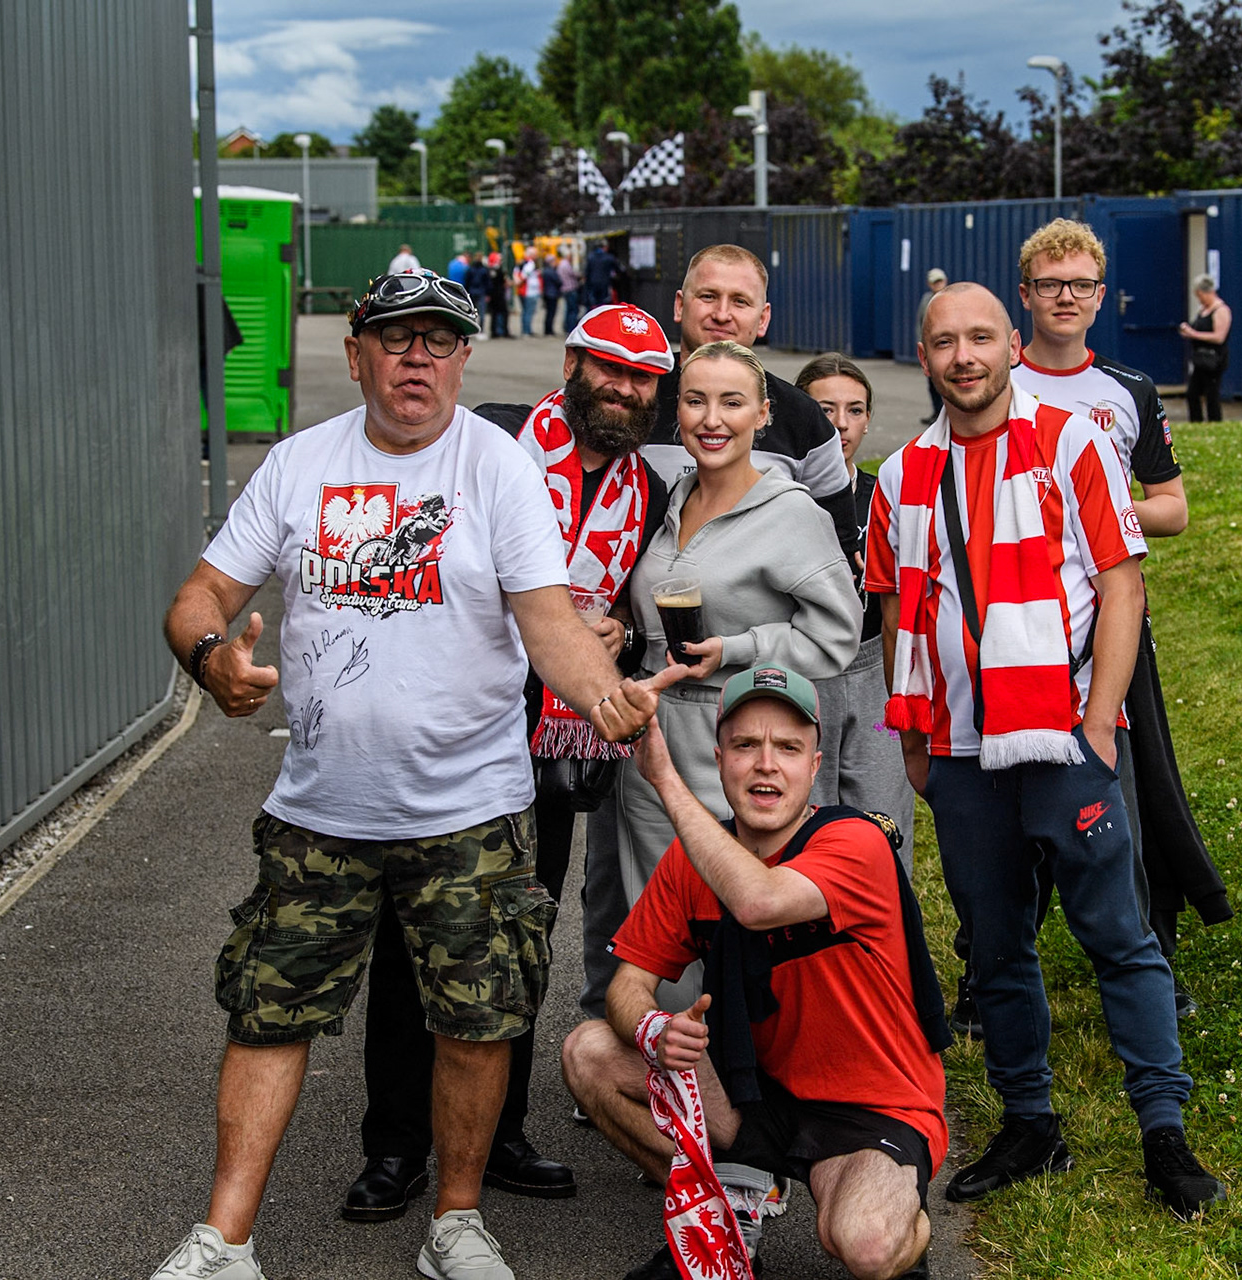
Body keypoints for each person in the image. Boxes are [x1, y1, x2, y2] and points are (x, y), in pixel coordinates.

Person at [148, 269, 667, 1280]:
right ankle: (224, 1238)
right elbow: (199, 593)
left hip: (472, 809)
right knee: (269, 1011)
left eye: (439, 339)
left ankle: (456, 1222)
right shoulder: (299, 465)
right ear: (357, 354)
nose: (418, 355)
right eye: (397, 338)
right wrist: (213, 659)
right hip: (318, 809)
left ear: (466, 357)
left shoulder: (498, 467)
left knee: (477, 1020)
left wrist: (605, 693)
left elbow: (549, 617)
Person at [867, 282, 1224, 1217]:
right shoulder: (902, 472)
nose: (963, 357)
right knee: (995, 948)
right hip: (956, 750)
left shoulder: (1072, 444)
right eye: (943, 342)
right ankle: (1031, 1123)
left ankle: (1163, 1130)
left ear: (1009, 344)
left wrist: (1100, 720)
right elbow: (900, 611)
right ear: (924, 354)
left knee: (1118, 934)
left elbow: (1121, 587)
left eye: (980, 337)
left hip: (1067, 737)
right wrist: (914, 736)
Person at [342, 304, 676, 1219]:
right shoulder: (494, 440)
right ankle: (396, 1145)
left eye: (642, 377)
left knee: (518, 939)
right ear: (572, 363)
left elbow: (639, 601)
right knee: (415, 940)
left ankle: (498, 1135)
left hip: (553, 745)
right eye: (608, 368)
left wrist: (621, 627)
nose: (623, 388)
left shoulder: (644, 487)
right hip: (455, 728)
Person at [562, 665, 947, 1280]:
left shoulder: (855, 842)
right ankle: (727, 1214)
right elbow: (626, 986)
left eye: (787, 748)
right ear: (719, 760)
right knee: (589, 1053)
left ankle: (907, 1227)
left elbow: (759, 901)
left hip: (870, 1104)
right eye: (746, 745)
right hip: (754, 1094)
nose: (766, 764)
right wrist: (653, 1029)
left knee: (868, 1246)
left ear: (815, 766)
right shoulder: (694, 861)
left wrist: (662, 776)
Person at [1007, 217, 1228, 1027]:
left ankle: (1150, 956)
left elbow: (1173, 507)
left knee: (1130, 797)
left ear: (1100, 298)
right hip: (1016, 635)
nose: (1065, 298)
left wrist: (1097, 510)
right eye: (1050, 285)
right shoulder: (998, 382)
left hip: (1113, 632)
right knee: (1014, 804)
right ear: (1024, 294)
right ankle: (993, 964)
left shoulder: (1127, 391)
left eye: (1081, 286)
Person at [612, 340, 863, 1015]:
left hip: (735, 741)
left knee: (725, 938)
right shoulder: (670, 500)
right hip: (655, 745)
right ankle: (663, 1094)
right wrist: (629, 636)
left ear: (762, 413)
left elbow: (838, 633)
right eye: (695, 401)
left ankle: (736, 1098)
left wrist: (740, 649)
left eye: (730, 402)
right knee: (654, 933)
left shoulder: (791, 514)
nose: (711, 418)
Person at [640, 244, 861, 566]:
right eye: (708, 296)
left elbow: (836, 552)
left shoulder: (803, 417)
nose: (722, 314)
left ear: (763, 318)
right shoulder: (635, 398)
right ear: (679, 305)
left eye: (740, 301)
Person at [793, 352, 916, 857]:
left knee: (881, 819)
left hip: (870, 663)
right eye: (824, 410)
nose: (841, 425)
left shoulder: (883, 494)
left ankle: (887, 928)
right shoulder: (777, 498)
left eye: (856, 410)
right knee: (803, 818)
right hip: (801, 663)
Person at [1178, 274, 1232, 422]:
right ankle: (1196, 421)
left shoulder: (1221, 310)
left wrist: (1194, 334)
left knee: (1211, 394)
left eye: (1200, 295)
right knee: (1192, 393)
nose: (1199, 299)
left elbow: (1219, 336)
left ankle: (1215, 422)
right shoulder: (1203, 310)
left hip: (1214, 359)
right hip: (1199, 359)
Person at [915, 269, 948, 424]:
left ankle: (948, 415)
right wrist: (920, 343)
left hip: (946, 348)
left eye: (940, 281)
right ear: (930, 284)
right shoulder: (926, 300)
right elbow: (920, 323)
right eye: (935, 282)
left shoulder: (951, 299)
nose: (938, 285)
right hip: (930, 348)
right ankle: (937, 413)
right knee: (932, 384)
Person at [464, 253, 493, 342]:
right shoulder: (484, 270)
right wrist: (488, 293)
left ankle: (470, 330)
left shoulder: (470, 269)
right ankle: (481, 331)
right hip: (481, 293)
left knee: (470, 313)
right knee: (482, 313)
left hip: (472, 292)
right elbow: (488, 283)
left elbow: (467, 281)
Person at [487, 252, 512, 340]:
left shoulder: (491, 270)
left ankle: (496, 331)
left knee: (495, 313)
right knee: (502, 313)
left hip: (495, 294)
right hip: (498, 295)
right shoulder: (495, 270)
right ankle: (501, 331)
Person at [586, 240, 618, 308]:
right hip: (604, 283)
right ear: (605, 247)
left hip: (593, 283)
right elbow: (617, 268)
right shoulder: (609, 257)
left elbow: (587, 271)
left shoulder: (591, 257)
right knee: (603, 303)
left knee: (593, 303)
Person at [518, 250, 542, 337]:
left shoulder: (523, 263)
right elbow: (524, 276)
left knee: (526, 312)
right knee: (528, 312)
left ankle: (526, 329)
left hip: (527, 291)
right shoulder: (530, 264)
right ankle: (526, 330)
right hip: (529, 292)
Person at [558, 251, 584, 333]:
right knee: (573, 310)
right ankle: (571, 328)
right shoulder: (566, 265)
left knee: (568, 309)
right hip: (570, 289)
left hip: (565, 289)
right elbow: (573, 274)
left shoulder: (561, 264)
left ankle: (566, 326)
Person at [541, 255, 564, 336]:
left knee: (548, 313)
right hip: (552, 294)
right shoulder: (551, 271)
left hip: (547, 293)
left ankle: (547, 329)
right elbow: (558, 281)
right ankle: (549, 330)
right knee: (551, 312)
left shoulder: (545, 271)